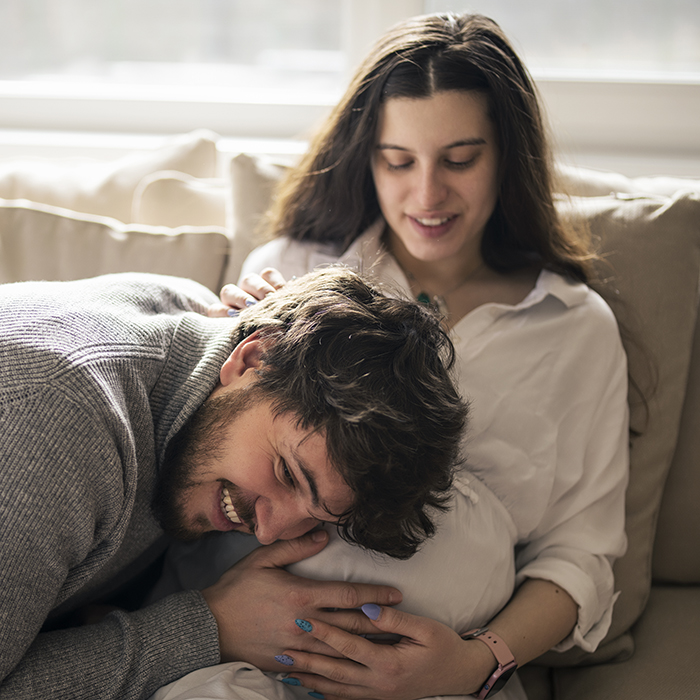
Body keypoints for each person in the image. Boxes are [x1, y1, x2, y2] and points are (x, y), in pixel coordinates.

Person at [205, 11, 629, 700]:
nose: (427, 195)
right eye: (398, 161)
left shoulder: (576, 330)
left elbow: (581, 556)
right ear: (366, 157)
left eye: (460, 159)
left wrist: (475, 664)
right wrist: (210, 340)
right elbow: (195, 450)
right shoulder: (291, 271)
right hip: (245, 666)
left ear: (506, 156)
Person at [0, 267, 469, 700]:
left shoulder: (202, 319)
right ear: (253, 358)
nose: (268, 532)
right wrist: (211, 628)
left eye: (313, 515)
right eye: (287, 473)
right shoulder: (61, 424)